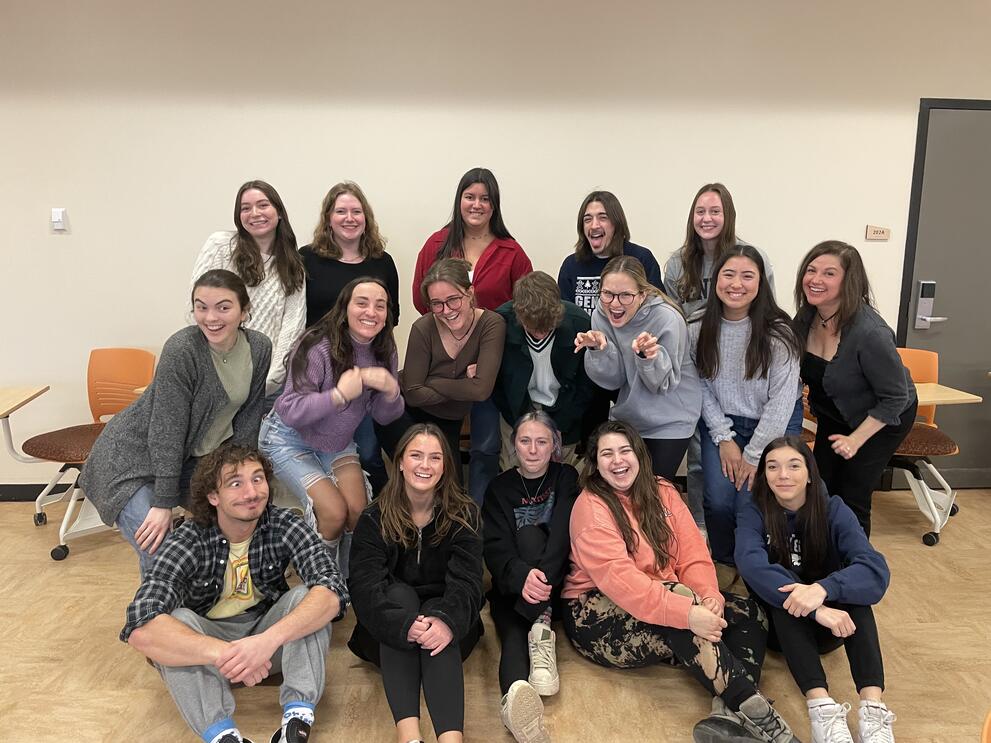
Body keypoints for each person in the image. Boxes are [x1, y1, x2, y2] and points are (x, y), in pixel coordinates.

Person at [562, 421, 801, 743]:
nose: (617, 460)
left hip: (666, 595)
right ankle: (766, 722)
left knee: (748, 612)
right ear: (595, 463)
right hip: (596, 616)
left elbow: (692, 553)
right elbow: (624, 583)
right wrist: (688, 613)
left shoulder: (663, 490)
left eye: (624, 450)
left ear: (639, 454)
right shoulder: (591, 507)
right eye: (607, 454)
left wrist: (709, 596)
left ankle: (727, 715)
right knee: (683, 614)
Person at [122, 443, 348, 743]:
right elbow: (139, 626)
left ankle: (296, 722)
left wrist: (266, 641)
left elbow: (332, 589)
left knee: (308, 598)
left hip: (267, 645)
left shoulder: (284, 523)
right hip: (209, 655)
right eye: (235, 483)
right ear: (213, 496)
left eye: (257, 479)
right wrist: (227, 654)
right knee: (176, 621)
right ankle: (223, 735)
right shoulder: (188, 539)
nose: (251, 492)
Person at [81, 270, 270, 575]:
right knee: (161, 551)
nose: (211, 318)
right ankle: (158, 606)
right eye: (201, 307)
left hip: (191, 463)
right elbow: (166, 431)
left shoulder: (259, 348)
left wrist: (239, 478)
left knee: (235, 525)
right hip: (130, 460)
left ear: (244, 311)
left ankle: (218, 601)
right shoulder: (183, 349)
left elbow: (249, 417)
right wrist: (163, 503)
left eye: (223, 307)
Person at [736, 436, 895, 743]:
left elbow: (874, 570)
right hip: (780, 630)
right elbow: (750, 564)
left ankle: (873, 708)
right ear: (764, 475)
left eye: (794, 466)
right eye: (773, 467)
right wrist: (813, 606)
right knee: (787, 597)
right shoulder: (753, 511)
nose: (783, 475)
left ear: (810, 473)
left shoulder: (834, 509)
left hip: (832, 626)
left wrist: (823, 589)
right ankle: (821, 706)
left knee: (855, 596)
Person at [348, 423, 484, 743]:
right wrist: (402, 625)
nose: (425, 465)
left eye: (435, 457)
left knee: (437, 616)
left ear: (445, 466)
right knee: (399, 596)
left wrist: (446, 621)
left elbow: (468, 583)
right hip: (386, 629)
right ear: (400, 462)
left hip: (449, 628)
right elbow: (364, 588)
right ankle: (409, 738)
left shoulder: (464, 514)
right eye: (416, 455)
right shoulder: (374, 517)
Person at [259, 278, 404, 575]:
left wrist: (392, 392)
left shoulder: (384, 349)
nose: (371, 312)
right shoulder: (316, 344)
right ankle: (323, 581)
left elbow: (383, 416)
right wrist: (338, 396)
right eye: (361, 303)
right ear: (345, 308)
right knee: (333, 513)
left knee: (358, 512)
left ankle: (349, 582)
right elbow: (291, 409)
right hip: (287, 438)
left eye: (380, 306)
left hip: (336, 443)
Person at [410, 167, 532, 504]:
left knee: (486, 445)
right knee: (439, 445)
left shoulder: (511, 251)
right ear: (459, 200)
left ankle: (477, 514)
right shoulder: (436, 244)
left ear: (494, 205)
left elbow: (525, 309)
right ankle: (443, 510)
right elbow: (421, 299)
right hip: (444, 359)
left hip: (489, 363)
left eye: (485, 198)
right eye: (470, 197)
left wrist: (488, 353)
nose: (476, 204)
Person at [664, 183, 776, 528]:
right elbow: (671, 319)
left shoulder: (751, 257)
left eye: (715, 211)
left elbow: (767, 313)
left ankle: (749, 533)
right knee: (700, 459)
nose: (707, 218)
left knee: (749, 466)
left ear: (728, 215)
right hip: (697, 372)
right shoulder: (678, 263)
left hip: (743, 376)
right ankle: (702, 530)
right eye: (700, 211)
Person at [689, 245, 804, 566]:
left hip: (775, 422)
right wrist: (724, 438)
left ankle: (761, 566)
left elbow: (782, 402)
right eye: (728, 274)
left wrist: (753, 455)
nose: (736, 284)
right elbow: (698, 385)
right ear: (715, 280)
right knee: (718, 501)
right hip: (722, 422)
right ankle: (726, 566)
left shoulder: (779, 332)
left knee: (751, 502)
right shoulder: (696, 326)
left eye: (747, 276)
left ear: (761, 283)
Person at [793, 240, 917, 536]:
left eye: (829, 273)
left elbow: (896, 397)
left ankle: (856, 562)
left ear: (849, 281)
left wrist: (856, 440)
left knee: (852, 495)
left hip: (880, 420)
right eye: (811, 270)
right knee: (821, 489)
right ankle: (823, 555)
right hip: (835, 415)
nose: (815, 279)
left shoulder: (869, 332)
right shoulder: (807, 317)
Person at [483, 411, 580, 743]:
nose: (533, 450)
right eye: (525, 441)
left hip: (555, 584)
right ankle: (518, 712)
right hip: (515, 585)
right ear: (514, 445)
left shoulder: (566, 477)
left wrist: (538, 585)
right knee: (513, 635)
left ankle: (540, 625)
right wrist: (522, 576)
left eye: (542, 441)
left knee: (531, 536)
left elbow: (563, 537)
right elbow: (495, 547)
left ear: (555, 445)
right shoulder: (499, 488)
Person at [299, 181, 401, 492]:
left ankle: (380, 510)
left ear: (366, 217)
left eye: (356, 211)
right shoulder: (307, 258)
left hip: (363, 368)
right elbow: (297, 313)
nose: (349, 218)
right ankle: (331, 503)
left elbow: (392, 315)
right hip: (320, 368)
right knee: (323, 446)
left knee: (368, 451)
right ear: (328, 217)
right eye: (341, 211)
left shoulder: (382, 261)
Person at [574, 256, 701, 482]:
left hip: (670, 418)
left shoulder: (667, 318)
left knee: (652, 490)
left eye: (625, 295)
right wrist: (599, 351)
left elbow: (662, 385)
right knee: (618, 487)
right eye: (607, 294)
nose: (615, 304)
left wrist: (647, 357)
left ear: (643, 294)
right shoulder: (601, 314)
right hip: (630, 418)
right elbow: (613, 381)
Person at [390, 258, 506, 502]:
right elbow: (413, 393)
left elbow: (481, 390)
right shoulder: (423, 328)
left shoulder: (491, 324)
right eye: (437, 304)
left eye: (453, 299)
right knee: (419, 483)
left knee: (452, 493)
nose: (447, 310)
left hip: (449, 420)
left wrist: (432, 380)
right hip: (407, 413)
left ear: (470, 293)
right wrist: (465, 383)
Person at [189, 180, 306, 399]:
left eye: (263, 205)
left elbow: (293, 326)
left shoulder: (292, 264)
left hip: (268, 383)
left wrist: (269, 381)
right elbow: (197, 308)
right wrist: (213, 373)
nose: (255, 213)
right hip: (216, 379)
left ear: (279, 212)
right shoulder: (220, 245)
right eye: (245, 208)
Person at [493, 271, 596, 466]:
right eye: (533, 328)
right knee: (516, 469)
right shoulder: (500, 323)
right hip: (516, 408)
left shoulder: (580, 324)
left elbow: (586, 385)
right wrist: (521, 423)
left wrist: (563, 424)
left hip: (565, 409)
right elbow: (498, 384)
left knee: (563, 472)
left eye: (547, 327)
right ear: (518, 315)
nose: (540, 334)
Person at [557, 190, 663, 315]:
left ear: (616, 223)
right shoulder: (571, 265)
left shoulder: (641, 258)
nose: (594, 225)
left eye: (603, 218)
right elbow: (565, 316)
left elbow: (657, 311)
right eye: (587, 219)